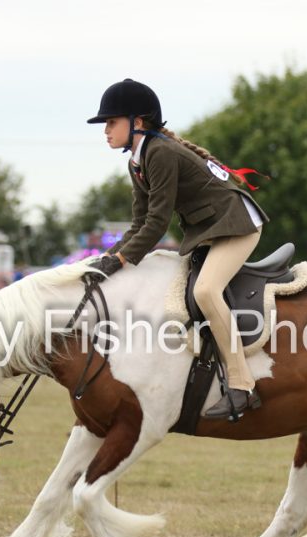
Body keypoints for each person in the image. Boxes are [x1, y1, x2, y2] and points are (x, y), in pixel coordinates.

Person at [86, 78, 269, 420]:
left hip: (237, 225)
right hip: (212, 230)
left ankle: (242, 386)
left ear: (137, 122)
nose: (106, 130)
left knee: (206, 291)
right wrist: (108, 258)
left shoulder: (160, 153)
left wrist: (122, 258)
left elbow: (157, 223)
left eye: (111, 122)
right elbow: (139, 223)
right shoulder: (137, 160)